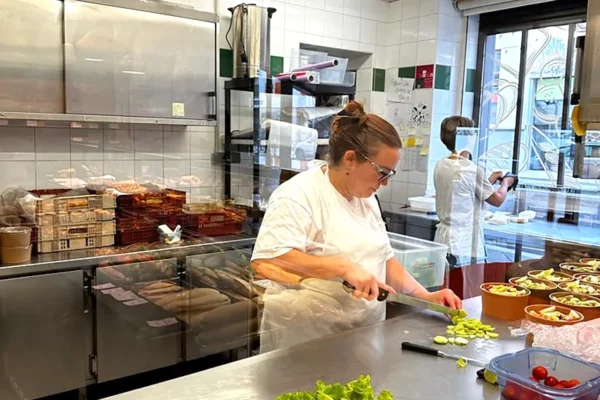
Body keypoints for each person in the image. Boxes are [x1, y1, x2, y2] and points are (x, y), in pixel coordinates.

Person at [251, 101, 462, 352]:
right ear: (350, 159)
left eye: (389, 175)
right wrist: (342, 266)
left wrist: (424, 296)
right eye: (382, 172)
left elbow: (384, 257)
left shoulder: (366, 197)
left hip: (361, 336)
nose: (384, 183)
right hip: (303, 341)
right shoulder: (298, 195)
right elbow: (267, 262)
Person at [433, 116, 515, 298]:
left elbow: (464, 190)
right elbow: (497, 200)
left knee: (447, 286)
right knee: (467, 292)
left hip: (445, 238)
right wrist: (506, 183)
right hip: (465, 242)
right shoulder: (471, 170)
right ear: (467, 138)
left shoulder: (441, 164)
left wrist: (489, 180)